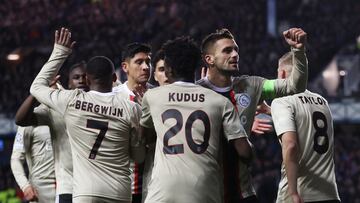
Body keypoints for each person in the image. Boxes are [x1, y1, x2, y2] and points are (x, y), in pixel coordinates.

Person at [30, 27, 145, 203]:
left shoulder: (72, 101)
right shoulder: (131, 108)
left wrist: (60, 52)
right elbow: (138, 157)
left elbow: (36, 88)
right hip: (119, 192)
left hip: (85, 192)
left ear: (87, 80)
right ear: (114, 78)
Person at [197, 27, 308, 202]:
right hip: (206, 194)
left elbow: (294, 86)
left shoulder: (252, 86)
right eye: (227, 50)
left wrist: (299, 52)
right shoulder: (196, 92)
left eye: (236, 50)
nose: (235, 54)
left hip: (243, 193)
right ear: (209, 59)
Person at [140, 36, 252, 203]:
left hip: (163, 191)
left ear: (169, 69)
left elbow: (144, 137)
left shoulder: (153, 97)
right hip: (205, 189)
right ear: (195, 67)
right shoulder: (220, 101)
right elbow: (244, 152)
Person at [15, 60, 89, 203]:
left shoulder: (102, 105)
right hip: (67, 189)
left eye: (85, 77)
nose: (81, 80)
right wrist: (39, 92)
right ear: (68, 84)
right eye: (76, 77)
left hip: (95, 187)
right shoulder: (55, 108)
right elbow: (21, 120)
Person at [271, 52, 340, 203]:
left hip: (300, 195)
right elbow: (305, 118)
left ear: (282, 74)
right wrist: (271, 111)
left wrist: (293, 192)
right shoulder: (322, 101)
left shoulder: (282, 102)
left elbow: (291, 146)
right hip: (330, 195)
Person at [112, 42, 151, 203]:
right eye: (139, 62)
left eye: (148, 62)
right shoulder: (113, 97)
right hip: (119, 185)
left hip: (151, 185)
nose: (146, 67)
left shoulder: (158, 95)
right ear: (125, 67)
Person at [11, 125, 56, 203]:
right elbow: (16, 159)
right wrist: (25, 186)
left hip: (67, 187)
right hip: (41, 193)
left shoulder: (62, 117)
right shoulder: (26, 123)